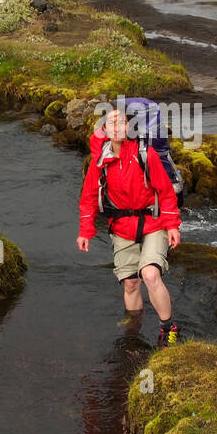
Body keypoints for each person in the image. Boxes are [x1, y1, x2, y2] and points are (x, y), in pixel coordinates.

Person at [77, 107, 181, 345]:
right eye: (111, 123)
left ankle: (168, 328)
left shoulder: (146, 155)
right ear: (104, 130)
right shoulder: (100, 161)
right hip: (122, 227)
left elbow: (165, 193)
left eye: (122, 122)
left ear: (129, 128)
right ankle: (134, 330)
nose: (117, 127)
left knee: (150, 274)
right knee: (131, 283)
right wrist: (86, 231)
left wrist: (172, 226)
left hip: (154, 224)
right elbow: (89, 197)